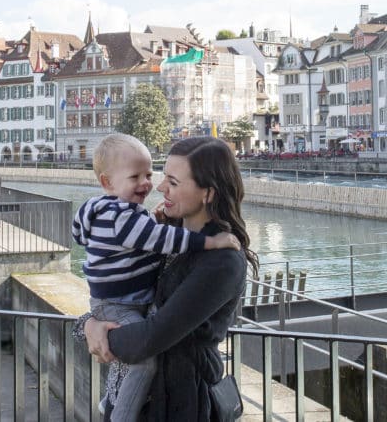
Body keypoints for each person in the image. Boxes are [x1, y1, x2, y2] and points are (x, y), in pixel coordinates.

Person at [82, 136, 258, 421]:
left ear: (208, 193)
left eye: (173, 182)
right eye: (163, 177)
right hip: (141, 397)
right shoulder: (163, 235)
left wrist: (98, 332)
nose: (160, 187)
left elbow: (150, 337)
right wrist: (90, 323)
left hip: (180, 404)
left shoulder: (222, 260)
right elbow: (120, 293)